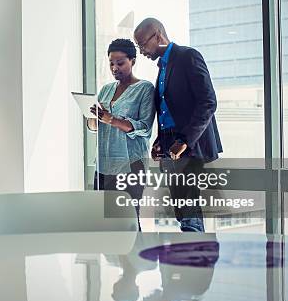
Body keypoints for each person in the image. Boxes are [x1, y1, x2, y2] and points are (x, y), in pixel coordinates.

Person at [134, 18, 222, 232]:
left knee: (189, 209)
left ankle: (196, 258)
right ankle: (194, 258)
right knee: (182, 209)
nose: (141, 51)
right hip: (172, 147)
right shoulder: (163, 67)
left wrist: (184, 140)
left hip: (190, 146)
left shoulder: (187, 56)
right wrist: (159, 141)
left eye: (142, 44)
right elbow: (168, 110)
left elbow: (208, 101)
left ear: (157, 36)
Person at [87, 38, 155, 231]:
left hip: (131, 165)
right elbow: (94, 125)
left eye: (120, 63)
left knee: (129, 221)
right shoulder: (106, 89)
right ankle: (107, 261)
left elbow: (144, 127)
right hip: (103, 164)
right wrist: (93, 119)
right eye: (111, 63)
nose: (114, 68)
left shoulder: (144, 89)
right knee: (105, 223)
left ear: (133, 61)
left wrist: (112, 120)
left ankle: (135, 259)